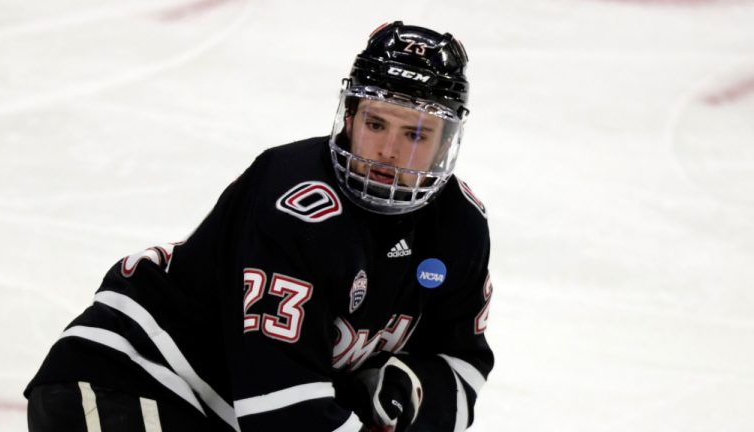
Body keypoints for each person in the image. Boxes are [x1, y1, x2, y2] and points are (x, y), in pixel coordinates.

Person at [25, 21, 494, 432]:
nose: (388, 151)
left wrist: (408, 387)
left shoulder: (459, 228)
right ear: (350, 117)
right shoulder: (296, 201)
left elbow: (461, 364)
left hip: (221, 414)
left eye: (415, 134)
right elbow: (281, 412)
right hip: (131, 381)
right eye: (376, 123)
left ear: (446, 141)